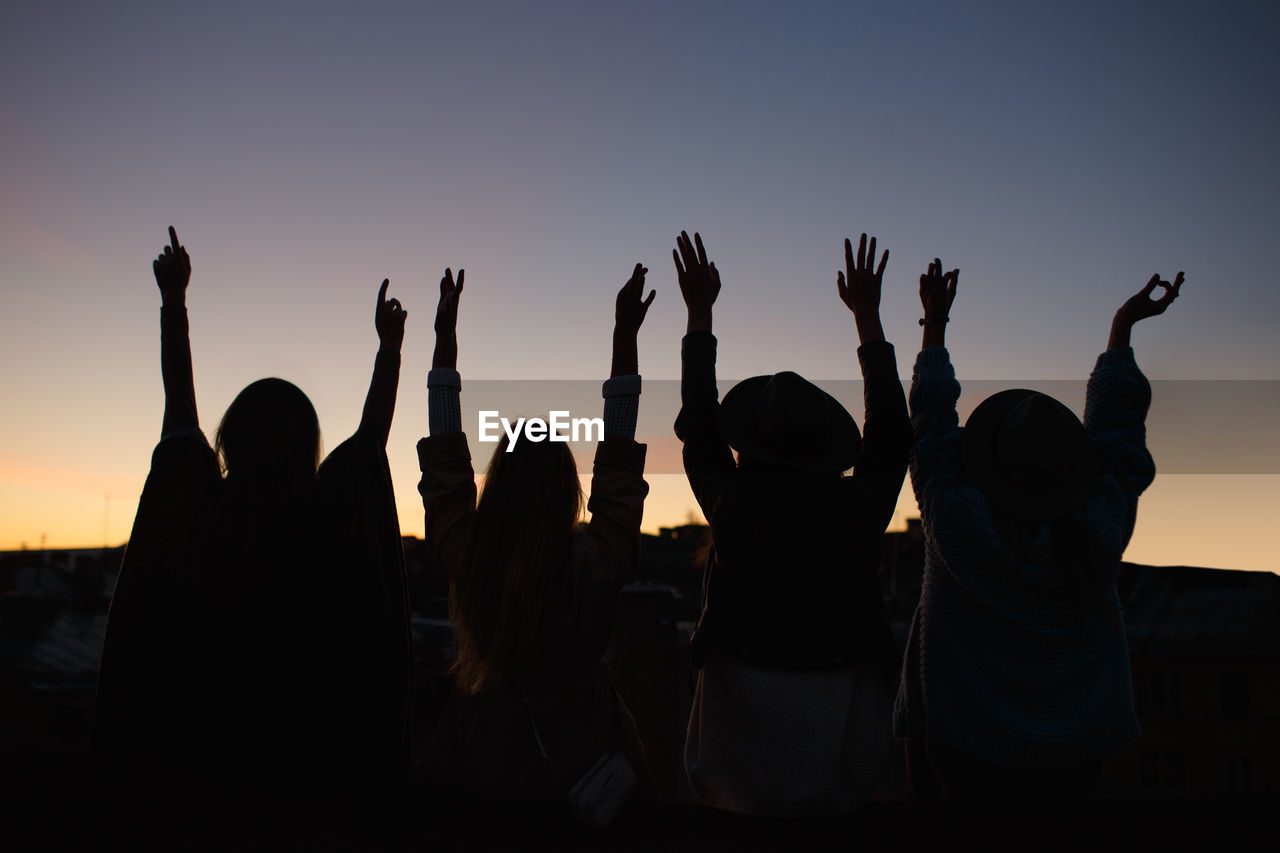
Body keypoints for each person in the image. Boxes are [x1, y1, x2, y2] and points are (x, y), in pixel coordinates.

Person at [93, 227, 412, 805]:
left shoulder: (201, 510)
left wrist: (174, 302)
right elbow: (369, 443)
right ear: (307, 444)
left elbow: (179, 405)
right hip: (309, 770)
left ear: (231, 438)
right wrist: (390, 349)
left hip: (197, 770)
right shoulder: (323, 518)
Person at [895, 260, 1185, 799]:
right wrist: (1123, 325)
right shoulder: (1100, 525)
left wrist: (934, 322)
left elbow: (930, 427)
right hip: (1074, 754)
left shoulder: (956, 519)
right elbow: (1118, 435)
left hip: (965, 750)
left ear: (989, 459)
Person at [674, 231, 911, 816]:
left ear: (749, 447)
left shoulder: (734, 505)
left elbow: (700, 428)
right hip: (843, 727)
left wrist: (699, 312)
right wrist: (868, 320)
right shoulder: (856, 513)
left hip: (738, 742)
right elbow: (891, 439)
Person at [417, 264, 655, 817]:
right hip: (586, 782)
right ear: (567, 489)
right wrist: (625, 338)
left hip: (485, 774)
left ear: (497, 483)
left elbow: (446, 464)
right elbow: (619, 462)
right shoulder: (595, 564)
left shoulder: (469, 556)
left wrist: (444, 344)